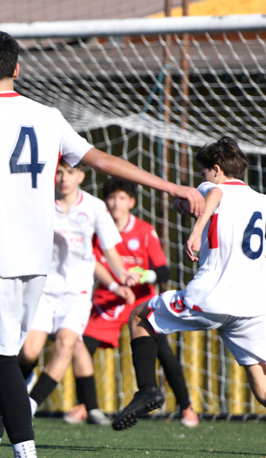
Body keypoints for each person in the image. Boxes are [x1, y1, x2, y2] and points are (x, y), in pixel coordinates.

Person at [0, 30, 202, 458]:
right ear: (17, 68)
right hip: (37, 256)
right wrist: (173, 187)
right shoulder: (47, 115)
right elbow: (101, 160)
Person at [114, 136, 266, 431]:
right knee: (261, 389)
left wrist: (196, 230)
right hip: (253, 306)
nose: (202, 179)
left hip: (211, 297)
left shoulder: (213, 187)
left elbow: (215, 194)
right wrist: (186, 206)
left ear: (216, 169)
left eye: (203, 172)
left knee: (140, 316)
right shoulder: (261, 201)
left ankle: (147, 389)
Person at [65, 178, 199, 428]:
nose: (116, 203)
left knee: (163, 351)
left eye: (122, 198)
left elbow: (163, 271)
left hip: (140, 301)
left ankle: (186, 407)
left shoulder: (144, 231)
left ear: (132, 202)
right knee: (80, 346)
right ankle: (86, 405)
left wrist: (143, 276)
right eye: (112, 197)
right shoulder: (97, 231)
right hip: (108, 300)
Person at [19, 162, 136, 427]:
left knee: (66, 344)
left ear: (81, 176)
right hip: (43, 288)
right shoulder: (40, 203)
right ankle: (23, 378)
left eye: (69, 172)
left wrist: (121, 274)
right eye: (59, 172)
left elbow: (108, 250)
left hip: (77, 292)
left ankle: (30, 404)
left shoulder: (95, 207)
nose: (63, 178)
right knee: (29, 351)